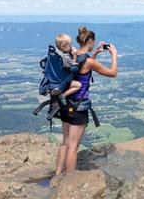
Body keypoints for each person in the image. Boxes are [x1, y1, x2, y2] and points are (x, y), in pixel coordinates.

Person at [54, 26, 118, 177]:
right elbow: (113, 73)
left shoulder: (73, 54)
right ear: (90, 40)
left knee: (65, 142)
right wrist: (114, 54)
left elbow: (82, 69)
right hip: (78, 107)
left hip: (65, 103)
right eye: (93, 42)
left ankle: (56, 176)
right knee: (73, 147)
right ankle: (69, 182)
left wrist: (94, 53)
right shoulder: (88, 61)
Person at [52, 33, 82, 106]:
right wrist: (74, 56)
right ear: (63, 46)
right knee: (78, 85)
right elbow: (73, 69)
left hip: (54, 80)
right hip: (62, 81)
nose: (71, 47)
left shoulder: (55, 53)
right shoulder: (65, 57)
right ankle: (63, 95)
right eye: (69, 45)